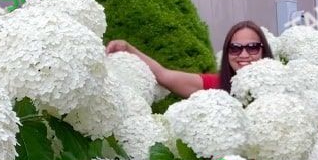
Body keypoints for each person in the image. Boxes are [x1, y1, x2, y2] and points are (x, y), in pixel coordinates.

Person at [105, 20, 273, 98]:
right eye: (235, 48)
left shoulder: (281, 88)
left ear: (263, 50)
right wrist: (128, 49)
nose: (243, 55)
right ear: (227, 53)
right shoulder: (215, 87)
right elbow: (164, 75)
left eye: (252, 47)